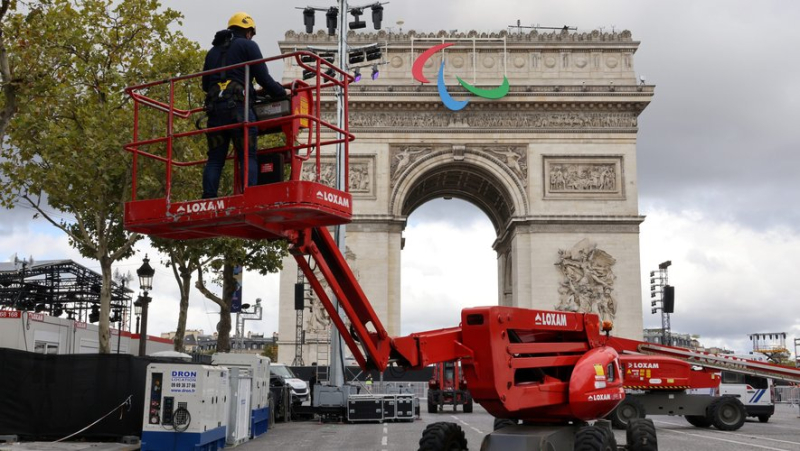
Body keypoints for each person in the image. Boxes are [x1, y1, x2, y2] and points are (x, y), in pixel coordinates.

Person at [201, 12, 288, 199]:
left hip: (215, 114)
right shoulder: (249, 45)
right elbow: (264, 78)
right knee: (247, 156)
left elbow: (204, 85)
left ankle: (208, 197)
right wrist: (282, 94)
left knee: (215, 159)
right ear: (248, 32)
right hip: (239, 113)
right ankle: (249, 196)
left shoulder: (212, 52)